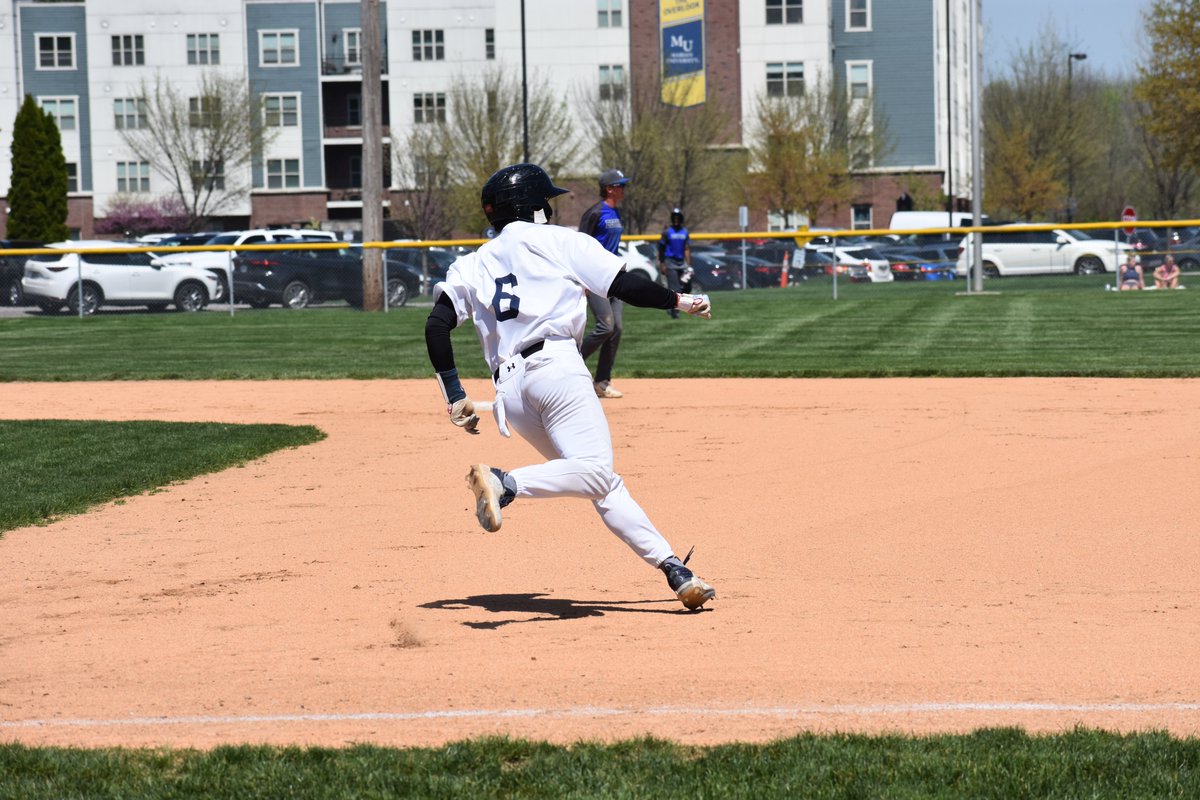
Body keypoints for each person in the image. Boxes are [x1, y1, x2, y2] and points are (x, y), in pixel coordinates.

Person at [423, 162, 717, 611]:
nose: (549, 208)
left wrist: (454, 394)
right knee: (595, 472)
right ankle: (505, 482)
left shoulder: (472, 263)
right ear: (532, 207)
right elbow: (627, 286)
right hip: (556, 367)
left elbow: (437, 325)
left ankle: (675, 569)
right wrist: (680, 299)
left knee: (600, 483)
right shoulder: (560, 241)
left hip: (511, 393)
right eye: (546, 201)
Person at [578, 168, 631, 398]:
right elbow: (580, 247)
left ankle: (602, 381)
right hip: (595, 277)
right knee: (605, 326)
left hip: (613, 277)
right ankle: (570, 362)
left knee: (616, 328)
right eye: (620, 185)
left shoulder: (617, 213)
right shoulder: (595, 213)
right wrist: (583, 280)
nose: (623, 189)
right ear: (609, 188)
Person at [657, 208, 692, 319]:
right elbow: (661, 249)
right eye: (674, 218)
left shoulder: (684, 231)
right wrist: (662, 264)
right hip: (670, 262)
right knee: (675, 287)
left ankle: (670, 305)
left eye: (678, 218)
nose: (676, 220)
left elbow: (686, 248)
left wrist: (689, 264)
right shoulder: (667, 232)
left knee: (687, 286)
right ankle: (674, 312)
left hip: (682, 262)